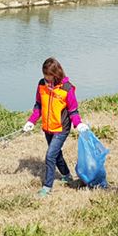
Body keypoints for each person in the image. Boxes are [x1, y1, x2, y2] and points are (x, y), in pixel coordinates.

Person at [22, 58, 88, 196]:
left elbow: (73, 110)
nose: (46, 78)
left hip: (61, 128)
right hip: (47, 127)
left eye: (49, 75)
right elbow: (38, 106)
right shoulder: (41, 84)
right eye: (44, 74)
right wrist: (31, 121)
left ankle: (47, 186)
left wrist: (78, 124)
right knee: (57, 154)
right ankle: (66, 175)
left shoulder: (67, 88)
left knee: (50, 156)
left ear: (56, 73)